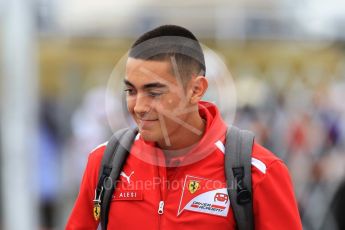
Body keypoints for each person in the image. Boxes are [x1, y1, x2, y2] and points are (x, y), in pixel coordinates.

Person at [66, 25, 302, 229]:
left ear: (196, 90)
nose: (138, 107)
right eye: (131, 91)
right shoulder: (105, 161)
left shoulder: (259, 171)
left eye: (154, 92)